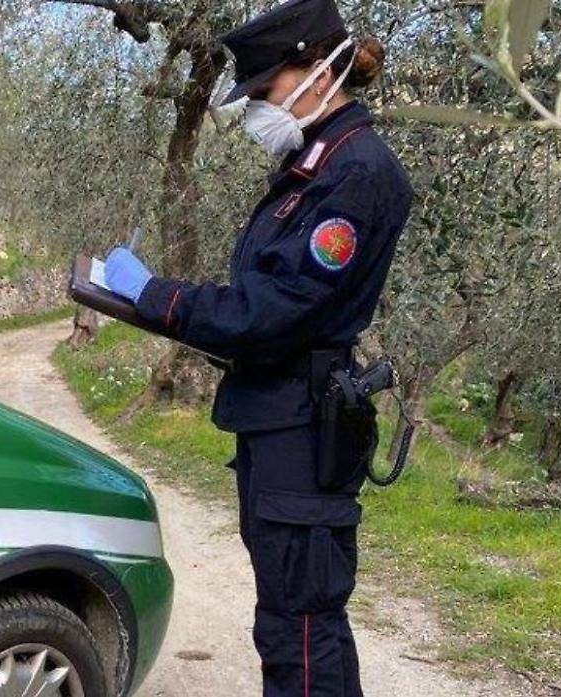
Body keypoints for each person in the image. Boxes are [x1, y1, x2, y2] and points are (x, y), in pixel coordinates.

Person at [102, 0, 413, 695]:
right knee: (295, 619)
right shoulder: (317, 163)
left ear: (315, 70)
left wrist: (156, 296)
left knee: (299, 626)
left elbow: (270, 312)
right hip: (281, 421)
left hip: (302, 428)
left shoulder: (354, 172)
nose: (256, 107)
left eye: (266, 87)